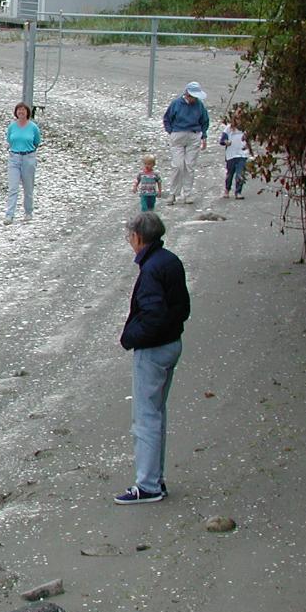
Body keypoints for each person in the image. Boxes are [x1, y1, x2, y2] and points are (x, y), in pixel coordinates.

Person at [116, 212, 190, 504]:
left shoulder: (151, 269)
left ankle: (148, 485)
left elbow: (152, 314)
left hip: (155, 349)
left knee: (145, 417)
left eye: (130, 237)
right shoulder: (169, 260)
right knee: (156, 413)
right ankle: (155, 479)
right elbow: (182, 307)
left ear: (138, 237)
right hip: (172, 343)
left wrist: (130, 338)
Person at [162, 81, 209, 204]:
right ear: (187, 94)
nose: (194, 99)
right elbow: (167, 118)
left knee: (190, 166)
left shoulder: (199, 105)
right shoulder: (176, 104)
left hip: (194, 135)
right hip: (178, 134)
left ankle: (187, 193)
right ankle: (173, 193)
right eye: (193, 96)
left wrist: (204, 136)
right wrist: (171, 132)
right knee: (177, 166)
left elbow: (205, 121)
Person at [4, 102, 42, 225]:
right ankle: (9, 215)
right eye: (19, 110)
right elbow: (9, 140)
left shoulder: (33, 127)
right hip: (14, 157)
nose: (21, 112)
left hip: (28, 158)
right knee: (13, 188)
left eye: (23, 110)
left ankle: (28, 212)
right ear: (16, 112)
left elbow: (37, 141)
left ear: (27, 112)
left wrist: (29, 152)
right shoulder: (12, 127)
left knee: (28, 187)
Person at [219, 108, 251, 200]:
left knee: (240, 173)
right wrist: (226, 142)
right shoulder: (228, 129)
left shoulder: (246, 129)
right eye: (237, 118)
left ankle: (238, 192)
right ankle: (227, 189)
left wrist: (250, 151)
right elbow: (222, 141)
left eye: (241, 119)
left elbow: (248, 141)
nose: (239, 121)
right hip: (231, 155)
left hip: (242, 154)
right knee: (230, 174)